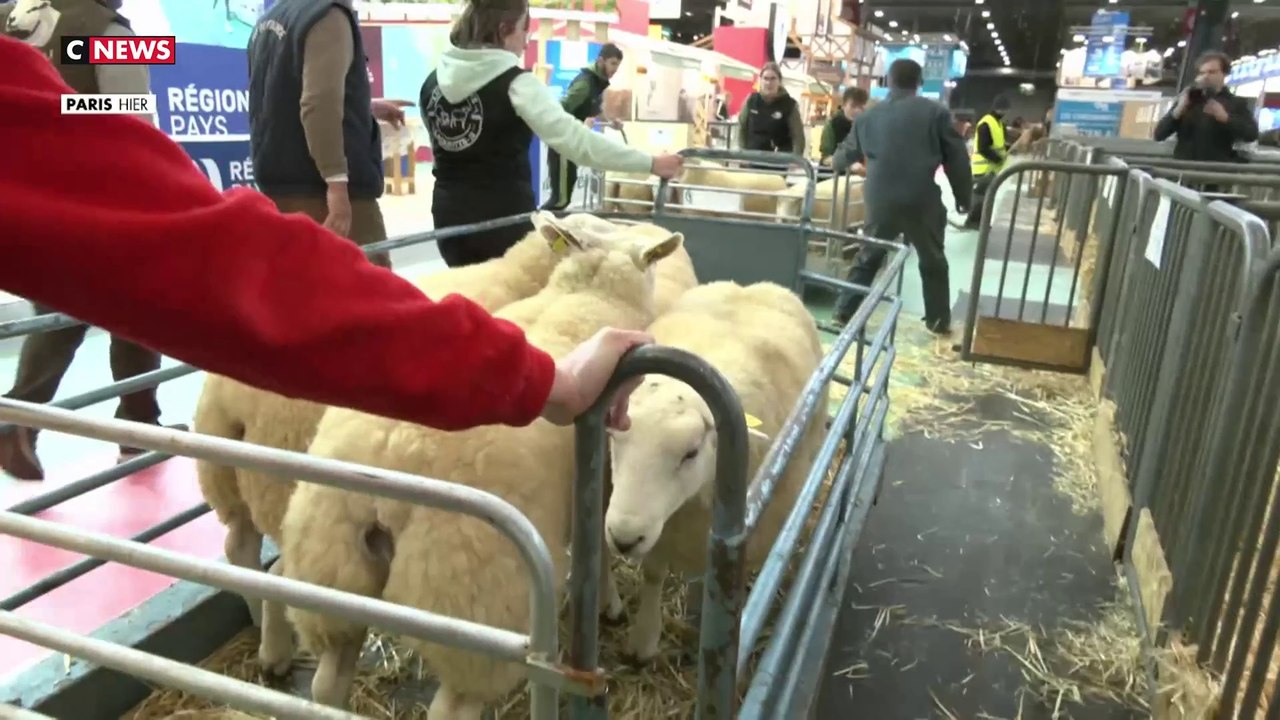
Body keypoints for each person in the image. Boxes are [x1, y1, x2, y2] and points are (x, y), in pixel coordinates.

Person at [0, 34, 651, 481]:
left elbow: (283, 99)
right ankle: (129, 419)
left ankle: (96, 417)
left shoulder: (269, 22)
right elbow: (133, 109)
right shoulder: (108, 30)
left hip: (256, 184)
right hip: (285, 191)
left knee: (85, 310)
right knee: (133, 299)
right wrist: (338, 176)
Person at [0, 0, 184, 480]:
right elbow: (131, 122)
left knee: (61, 312)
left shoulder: (13, 17)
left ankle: (20, 419)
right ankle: (138, 430)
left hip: (26, 197)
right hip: (97, 198)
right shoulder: (104, 32)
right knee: (138, 308)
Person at [421, 4, 681, 267]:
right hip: (502, 222)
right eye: (525, 30)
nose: (526, 42)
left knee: (465, 295)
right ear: (503, 30)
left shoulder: (432, 83)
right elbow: (577, 142)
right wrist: (650, 163)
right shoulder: (516, 84)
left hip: (448, 220)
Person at [247, 0, 406, 270]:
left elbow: (284, 98)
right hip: (323, 193)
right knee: (370, 299)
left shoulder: (271, 19)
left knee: (304, 295)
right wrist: (336, 183)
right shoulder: (328, 16)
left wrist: (364, 107)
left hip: (280, 186)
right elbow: (317, 103)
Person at [829, 58, 971, 336]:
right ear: (919, 83)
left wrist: (834, 161)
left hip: (880, 198)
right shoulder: (937, 113)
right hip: (921, 198)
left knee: (868, 255)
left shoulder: (868, 117)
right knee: (932, 260)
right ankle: (938, 321)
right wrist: (963, 197)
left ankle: (843, 312)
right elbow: (956, 159)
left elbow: (843, 156)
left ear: (888, 82)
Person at [540, 42, 630, 213]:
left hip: (571, 142)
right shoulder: (586, 83)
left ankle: (545, 229)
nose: (614, 70)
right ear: (601, 60)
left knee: (564, 196)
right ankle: (535, 226)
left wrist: (611, 121)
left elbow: (594, 109)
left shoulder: (597, 83)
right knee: (560, 199)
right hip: (563, 142)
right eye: (612, 64)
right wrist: (579, 126)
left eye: (617, 66)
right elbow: (560, 109)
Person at [1154, 50, 1259, 164]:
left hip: (1217, 171)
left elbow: (1251, 134)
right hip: (1184, 170)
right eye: (1202, 73)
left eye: (1211, 72)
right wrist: (1178, 111)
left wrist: (1226, 118)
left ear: (1224, 74)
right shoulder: (1188, 100)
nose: (1205, 76)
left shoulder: (1236, 103)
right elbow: (1159, 135)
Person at [961, 93, 1011, 230]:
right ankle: (972, 222)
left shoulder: (999, 124)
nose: (1006, 112)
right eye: (1005, 109)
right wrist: (998, 158)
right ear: (999, 108)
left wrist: (1006, 149)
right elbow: (983, 148)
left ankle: (980, 222)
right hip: (983, 168)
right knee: (980, 197)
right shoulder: (986, 123)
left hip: (992, 168)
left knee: (986, 197)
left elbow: (998, 144)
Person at [737, 62, 806, 157]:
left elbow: (798, 135)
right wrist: (741, 152)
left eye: (773, 78)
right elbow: (741, 127)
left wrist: (796, 159)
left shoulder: (789, 105)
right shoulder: (751, 101)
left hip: (778, 160)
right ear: (760, 80)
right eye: (766, 78)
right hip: (751, 158)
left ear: (779, 81)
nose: (769, 83)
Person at [819, 87, 868, 179]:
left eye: (861, 106)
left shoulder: (865, 126)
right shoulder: (832, 124)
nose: (857, 110)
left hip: (856, 180)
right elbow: (826, 158)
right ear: (844, 105)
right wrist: (850, 165)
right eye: (853, 106)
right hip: (831, 179)